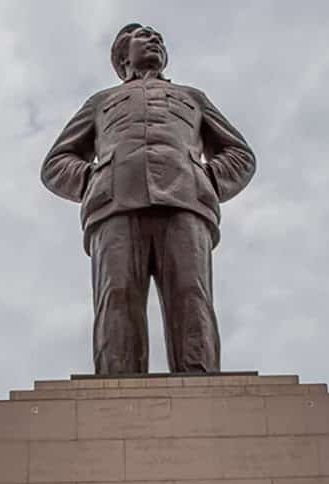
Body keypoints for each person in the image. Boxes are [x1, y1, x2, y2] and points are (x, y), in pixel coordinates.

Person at [41, 23, 256, 374]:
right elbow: (56, 163)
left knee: (191, 294)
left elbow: (239, 154)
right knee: (118, 296)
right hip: (114, 208)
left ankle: (201, 385)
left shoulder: (193, 98)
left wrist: (206, 179)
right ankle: (116, 388)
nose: (155, 41)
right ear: (123, 56)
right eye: (145, 37)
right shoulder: (101, 102)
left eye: (159, 39)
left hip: (185, 204)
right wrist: (94, 179)